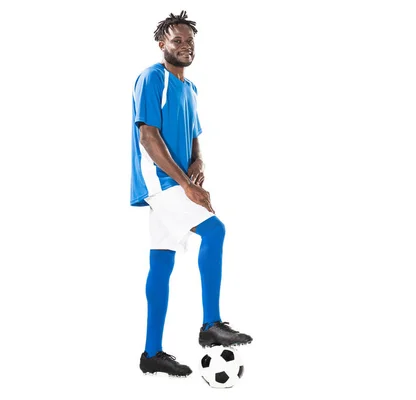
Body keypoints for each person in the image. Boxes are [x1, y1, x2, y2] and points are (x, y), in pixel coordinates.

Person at [130, 10, 252, 377]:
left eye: (189, 41)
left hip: (179, 181)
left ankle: (152, 354)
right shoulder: (152, 78)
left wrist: (198, 163)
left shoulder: (190, 88)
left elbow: (194, 136)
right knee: (214, 231)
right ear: (161, 44)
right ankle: (210, 326)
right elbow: (148, 136)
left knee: (162, 260)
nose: (185, 46)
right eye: (177, 40)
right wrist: (185, 185)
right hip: (161, 182)